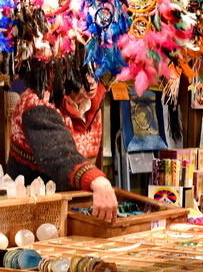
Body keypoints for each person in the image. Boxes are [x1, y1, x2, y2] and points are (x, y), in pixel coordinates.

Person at [7, 59, 119, 221]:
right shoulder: (37, 102)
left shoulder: (91, 102)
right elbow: (59, 155)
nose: (91, 80)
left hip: (74, 210)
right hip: (30, 214)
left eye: (95, 71)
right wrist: (97, 180)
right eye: (83, 73)